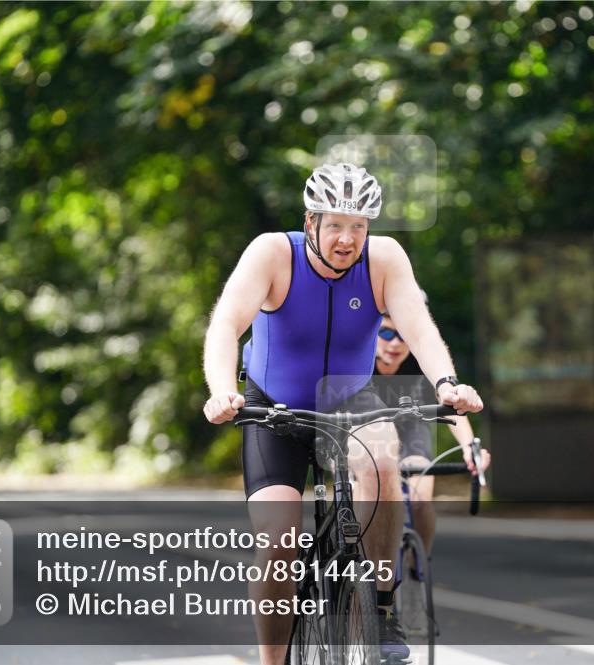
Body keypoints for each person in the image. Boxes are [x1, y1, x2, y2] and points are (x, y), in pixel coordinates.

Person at [202, 162, 483, 665]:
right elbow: (226, 324)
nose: (348, 239)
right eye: (335, 225)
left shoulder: (384, 259)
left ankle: (381, 608)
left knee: (384, 460)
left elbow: (420, 329)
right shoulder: (273, 254)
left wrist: (447, 383)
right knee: (278, 542)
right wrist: (223, 392)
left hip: (350, 400)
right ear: (311, 223)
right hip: (274, 409)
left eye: (359, 226)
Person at [372, 298, 491, 555]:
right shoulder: (357, 360)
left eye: (403, 335)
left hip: (412, 428)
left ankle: (419, 563)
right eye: (386, 333)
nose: (395, 343)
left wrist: (468, 447)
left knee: (419, 501)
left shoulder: (421, 359)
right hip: (368, 431)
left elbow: (449, 404)